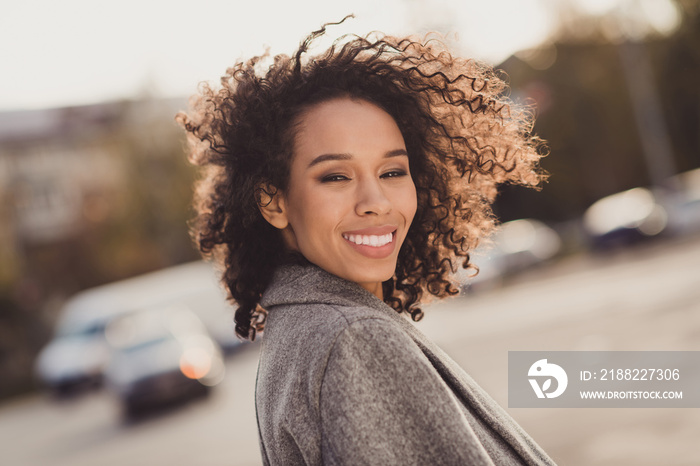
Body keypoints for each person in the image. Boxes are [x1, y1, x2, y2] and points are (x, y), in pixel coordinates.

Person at [177, 16, 556, 466]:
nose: (376, 202)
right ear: (274, 201)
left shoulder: (301, 332)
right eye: (335, 176)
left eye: (393, 172)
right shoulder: (352, 340)